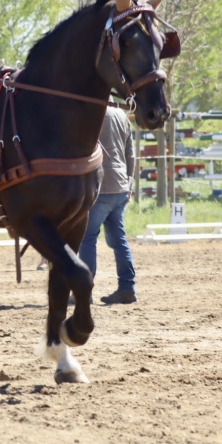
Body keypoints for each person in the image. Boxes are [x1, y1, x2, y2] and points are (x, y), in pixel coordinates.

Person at [79, 106, 138, 305]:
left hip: (100, 186)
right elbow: (130, 154)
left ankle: (84, 291)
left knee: (87, 238)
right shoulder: (121, 115)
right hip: (120, 186)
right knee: (119, 240)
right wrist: (129, 185)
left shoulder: (90, 112)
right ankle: (127, 288)